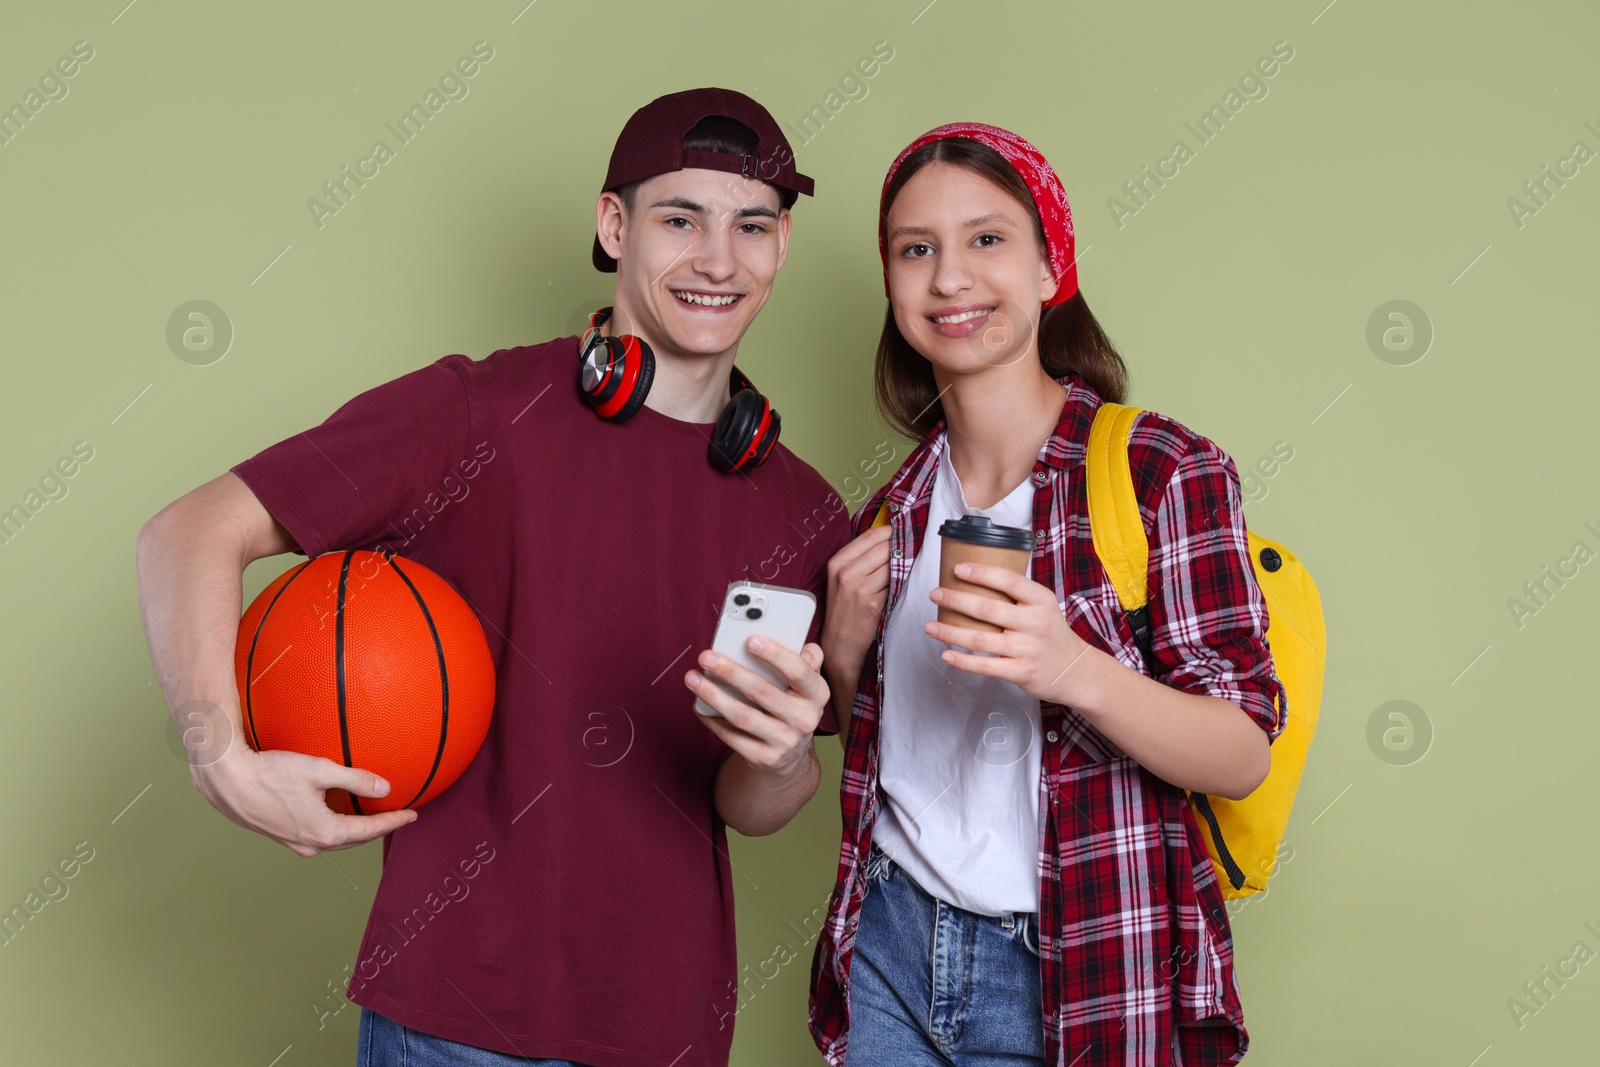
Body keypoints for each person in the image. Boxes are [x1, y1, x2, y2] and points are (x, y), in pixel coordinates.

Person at [135, 87, 854, 1067]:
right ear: (613, 223)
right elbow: (188, 531)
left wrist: (780, 761)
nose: (719, 259)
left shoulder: (802, 508)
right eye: (680, 218)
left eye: (752, 226)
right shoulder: (476, 414)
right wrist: (222, 759)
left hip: (667, 1025)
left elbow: (747, 804)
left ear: (780, 248)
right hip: (454, 1014)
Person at [807, 123, 1288, 1066]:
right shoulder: (891, 512)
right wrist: (847, 659)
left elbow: (1240, 753)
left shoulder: (1159, 471)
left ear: (1048, 268)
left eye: (988, 239)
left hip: (1082, 964)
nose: (950, 279)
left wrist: (1074, 667)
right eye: (917, 249)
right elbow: (888, 749)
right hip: (891, 948)